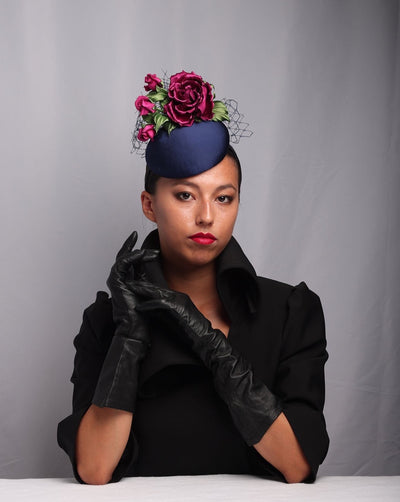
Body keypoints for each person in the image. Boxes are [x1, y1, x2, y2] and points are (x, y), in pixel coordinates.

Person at [57, 71, 329, 485]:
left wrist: (208, 342)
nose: (206, 216)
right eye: (185, 195)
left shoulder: (291, 311)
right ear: (149, 204)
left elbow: (297, 465)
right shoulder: (105, 320)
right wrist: (130, 337)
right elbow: (95, 470)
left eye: (224, 198)